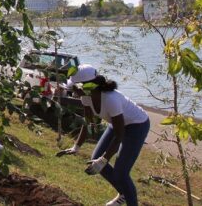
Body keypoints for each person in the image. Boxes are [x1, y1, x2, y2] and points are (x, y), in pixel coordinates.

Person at [56, 64, 150, 206]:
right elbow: (87, 123)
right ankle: (124, 193)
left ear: (87, 86)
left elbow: (119, 135)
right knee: (96, 158)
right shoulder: (86, 97)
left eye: (74, 88)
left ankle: (131, 200)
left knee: (121, 172)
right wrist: (76, 147)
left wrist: (104, 159)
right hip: (116, 124)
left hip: (137, 126)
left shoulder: (111, 99)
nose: (73, 91)